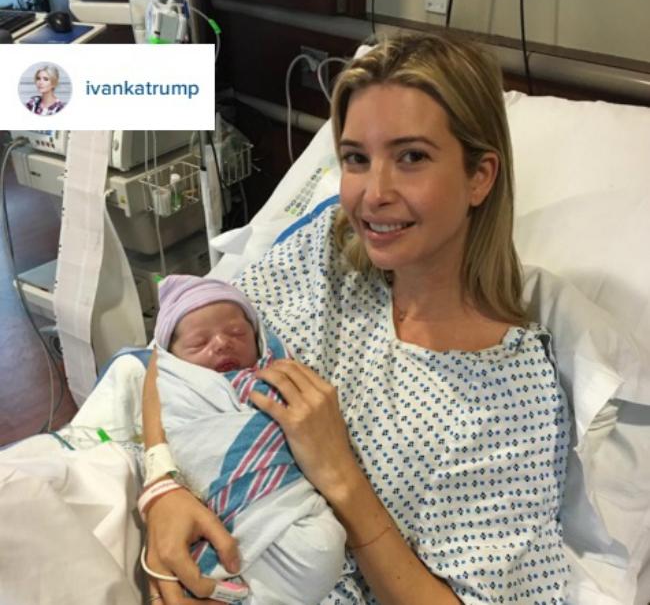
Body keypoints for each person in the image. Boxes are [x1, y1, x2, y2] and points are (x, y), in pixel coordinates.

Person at [142, 33, 571, 604]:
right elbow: (175, 350)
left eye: (411, 157)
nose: (373, 194)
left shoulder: (510, 393)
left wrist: (340, 474)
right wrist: (161, 487)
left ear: (480, 176)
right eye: (356, 159)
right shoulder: (327, 253)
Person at [143, 275, 345, 604]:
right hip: (215, 511)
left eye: (237, 333)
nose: (222, 343)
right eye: (199, 343)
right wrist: (159, 480)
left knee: (322, 548)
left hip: (285, 504)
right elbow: (159, 370)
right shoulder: (181, 389)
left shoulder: (270, 376)